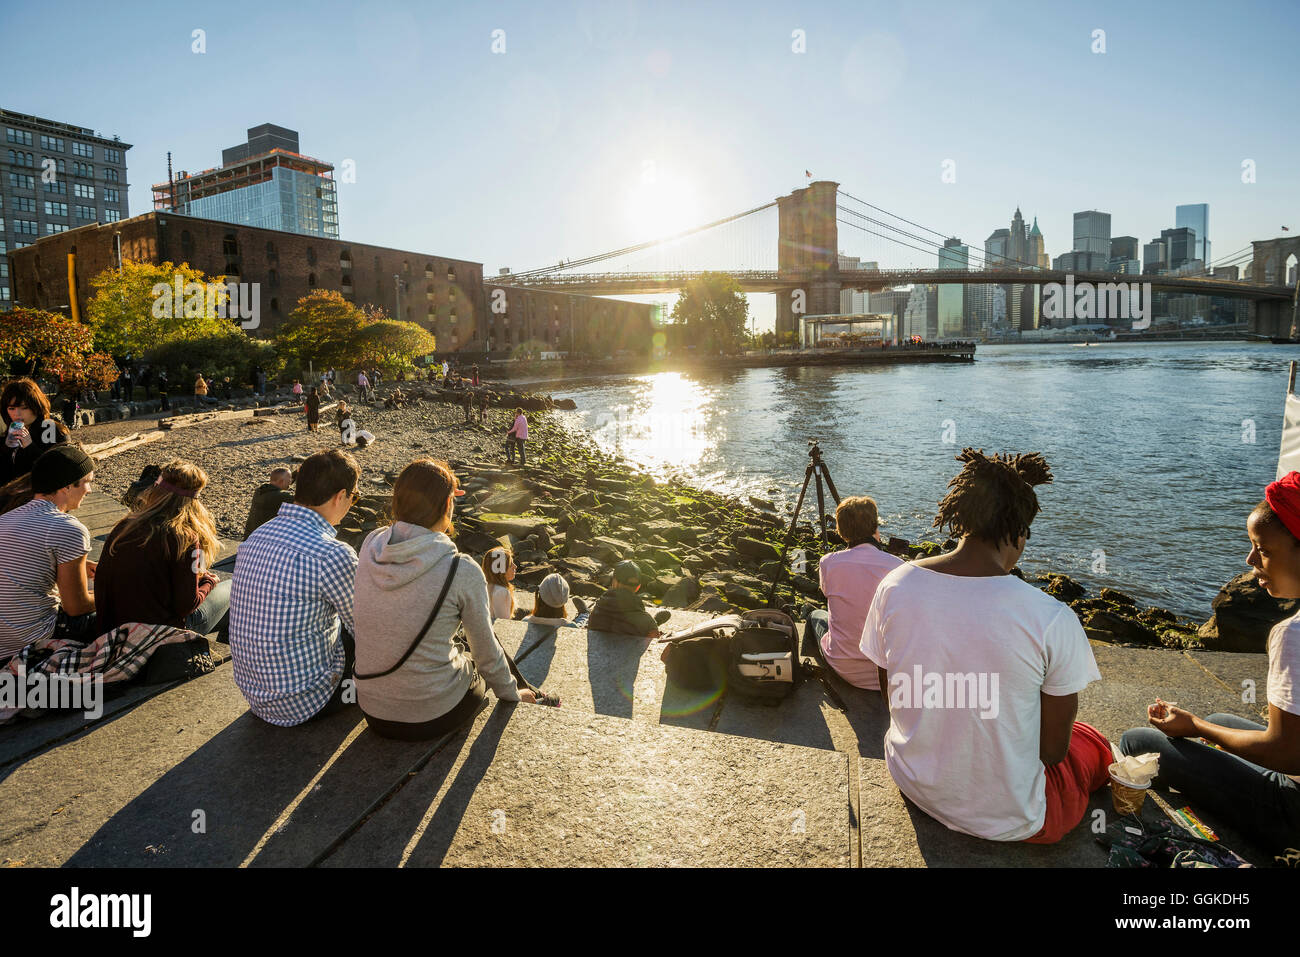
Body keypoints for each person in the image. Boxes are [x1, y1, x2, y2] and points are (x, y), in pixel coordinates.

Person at [861, 448, 1107, 844]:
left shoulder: (895, 584)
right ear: (1019, 531)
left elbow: (891, 693)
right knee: (1091, 744)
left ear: (961, 519)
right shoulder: (1050, 617)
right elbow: (1052, 753)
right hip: (1012, 820)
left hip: (911, 778)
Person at [1119, 472, 1300, 854]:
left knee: (1139, 742)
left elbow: (1285, 753)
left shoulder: (1293, 634)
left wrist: (1195, 725)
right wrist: (1204, 728)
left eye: (1262, 550)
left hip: (1293, 811)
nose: (1251, 561)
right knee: (1219, 722)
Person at [352, 459, 558, 740]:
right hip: (432, 714)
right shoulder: (459, 568)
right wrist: (511, 693)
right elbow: (485, 655)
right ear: (448, 504)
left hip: (372, 708)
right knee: (475, 650)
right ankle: (532, 692)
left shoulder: (370, 545)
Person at [228, 449, 362, 726]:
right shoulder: (331, 553)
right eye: (354, 497)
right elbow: (366, 628)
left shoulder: (259, 535)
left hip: (256, 694)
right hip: (305, 701)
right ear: (340, 496)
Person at [94, 459, 230, 637]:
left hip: (115, 628)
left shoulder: (124, 526)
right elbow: (186, 605)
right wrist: (209, 583)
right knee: (233, 587)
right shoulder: (185, 538)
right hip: (159, 634)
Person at [0, 446, 98, 662]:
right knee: (119, 601)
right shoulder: (68, 528)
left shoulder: (6, 519)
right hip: (33, 638)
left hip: (3, 640)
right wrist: (113, 593)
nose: (89, 490)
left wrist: (78, 565)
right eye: (86, 481)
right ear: (66, 486)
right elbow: (76, 606)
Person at [806, 495, 902, 690]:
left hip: (844, 668)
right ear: (875, 526)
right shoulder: (898, 567)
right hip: (888, 676)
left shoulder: (828, 562)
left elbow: (826, 593)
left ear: (841, 531)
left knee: (815, 615)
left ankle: (813, 676)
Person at [0, 378, 69, 486]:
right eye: (11, 408)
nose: (17, 414)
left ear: (36, 406)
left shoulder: (52, 430)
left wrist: (29, 446)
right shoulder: (9, 432)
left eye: (24, 408)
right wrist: (7, 448)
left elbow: (57, 472)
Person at [588, 560, 670, 638]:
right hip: (638, 634)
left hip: (601, 639)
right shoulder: (646, 620)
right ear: (638, 587)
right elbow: (652, 639)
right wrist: (653, 627)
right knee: (650, 627)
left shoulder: (597, 610)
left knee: (585, 617)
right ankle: (656, 622)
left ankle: (583, 613)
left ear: (614, 583)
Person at [243, 467, 295, 538]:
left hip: (248, 537)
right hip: (261, 541)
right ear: (281, 481)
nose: (291, 482)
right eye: (289, 479)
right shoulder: (280, 496)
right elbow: (301, 499)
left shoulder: (259, 491)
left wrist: (297, 472)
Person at [482, 546, 516, 621]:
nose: (515, 566)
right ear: (501, 570)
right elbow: (503, 624)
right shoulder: (502, 591)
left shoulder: (483, 587)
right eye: (510, 565)